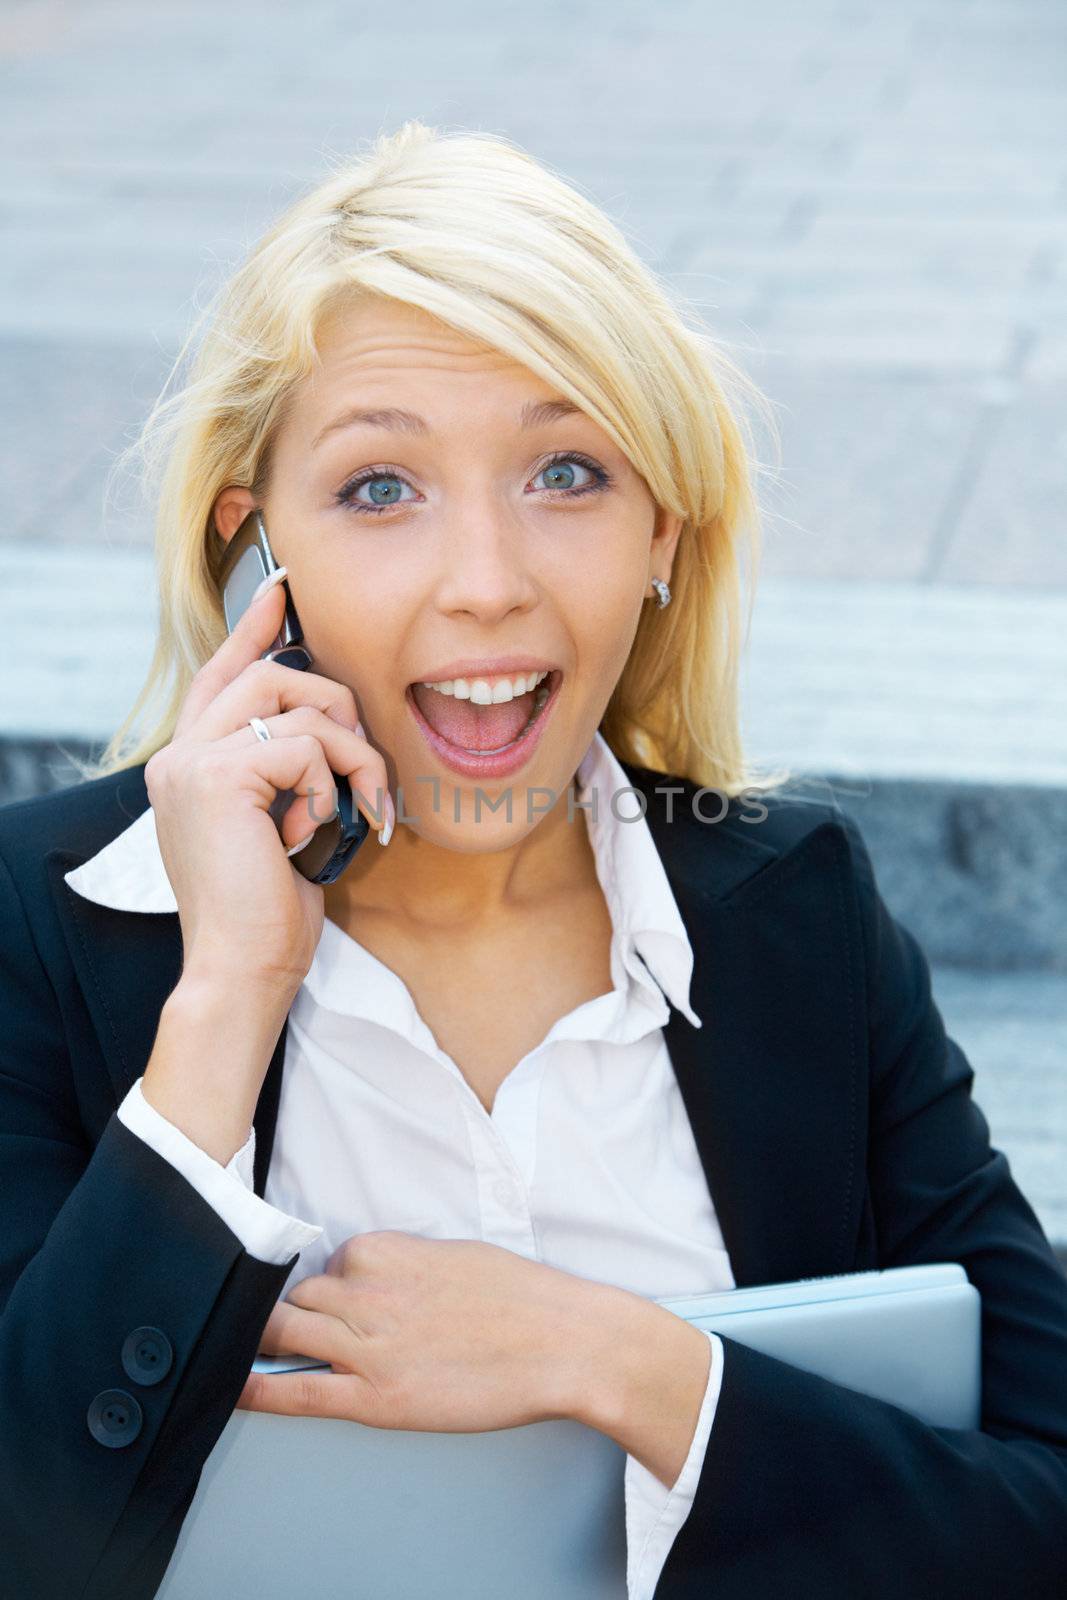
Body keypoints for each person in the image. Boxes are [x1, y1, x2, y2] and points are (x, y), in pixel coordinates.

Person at [1, 120, 1065, 1600]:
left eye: (567, 472)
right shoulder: (40, 922)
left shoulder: (798, 914)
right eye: (382, 489)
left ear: (663, 534)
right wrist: (227, 1001)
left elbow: (1045, 1495)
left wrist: (620, 1360)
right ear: (260, 547)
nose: (488, 585)